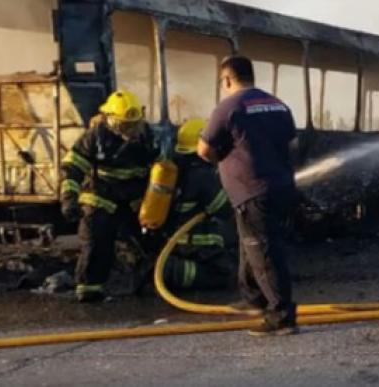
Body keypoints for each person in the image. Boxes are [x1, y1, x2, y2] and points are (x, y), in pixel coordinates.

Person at [197, 56, 298, 337]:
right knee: (250, 244)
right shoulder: (278, 104)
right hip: (281, 187)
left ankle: (282, 316)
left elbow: (203, 150)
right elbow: (293, 144)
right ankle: (253, 299)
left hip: (252, 189)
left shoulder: (228, 107)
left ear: (227, 79)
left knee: (264, 253)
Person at [61, 90, 159, 302]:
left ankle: (148, 283)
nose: (131, 131)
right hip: (100, 199)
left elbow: (160, 169)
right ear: (111, 120)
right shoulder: (96, 137)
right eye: (125, 126)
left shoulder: (148, 137)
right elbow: (73, 167)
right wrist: (69, 197)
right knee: (97, 244)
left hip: (133, 202)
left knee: (148, 242)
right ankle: (90, 291)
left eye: (134, 125)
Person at [160, 117, 235, 291]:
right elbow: (224, 209)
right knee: (222, 274)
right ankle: (171, 271)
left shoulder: (175, 166)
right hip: (194, 242)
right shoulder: (202, 175)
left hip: (172, 240)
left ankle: (170, 268)